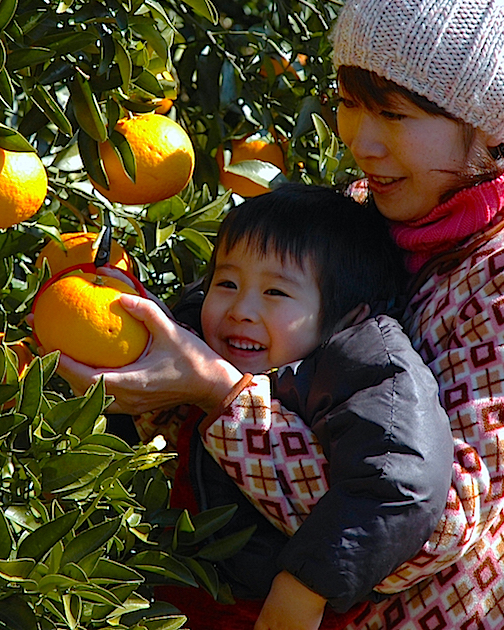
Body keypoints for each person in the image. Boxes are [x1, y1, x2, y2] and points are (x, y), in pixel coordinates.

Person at [59, 0, 504, 630]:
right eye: (351, 103)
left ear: (492, 127)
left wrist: (220, 395)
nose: (362, 140)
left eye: (394, 113)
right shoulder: (368, 209)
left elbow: (427, 524)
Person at [130, 183, 452, 630]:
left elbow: (395, 482)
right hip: (184, 591)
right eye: (226, 283)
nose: (240, 309)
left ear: (344, 316)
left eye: (276, 293)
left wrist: (305, 587)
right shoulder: (202, 339)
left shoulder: (364, 367)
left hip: (273, 611)